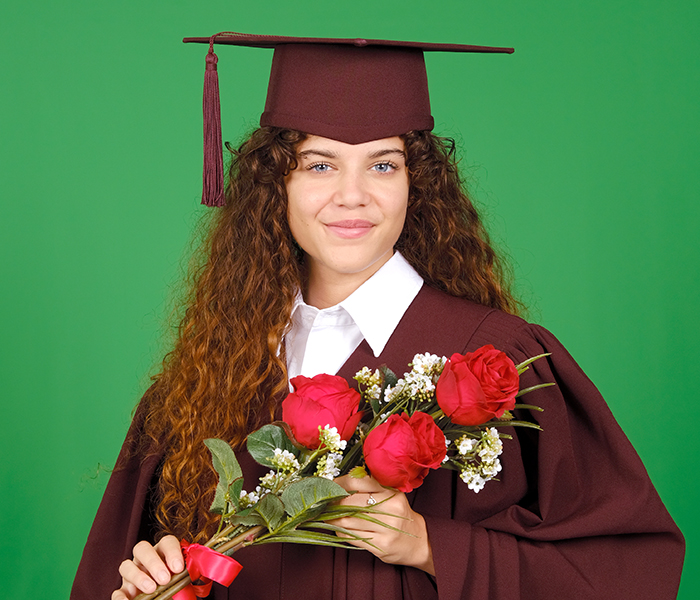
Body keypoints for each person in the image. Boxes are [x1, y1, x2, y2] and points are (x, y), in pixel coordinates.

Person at [71, 32, 685, 600]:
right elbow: (122, 573)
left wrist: (428, 547)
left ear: (418, 184)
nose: (353, 194)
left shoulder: (496, 364)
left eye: (383, 164)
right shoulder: (208, 376)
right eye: (320, 164)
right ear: (274, 185)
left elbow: (628, 571)